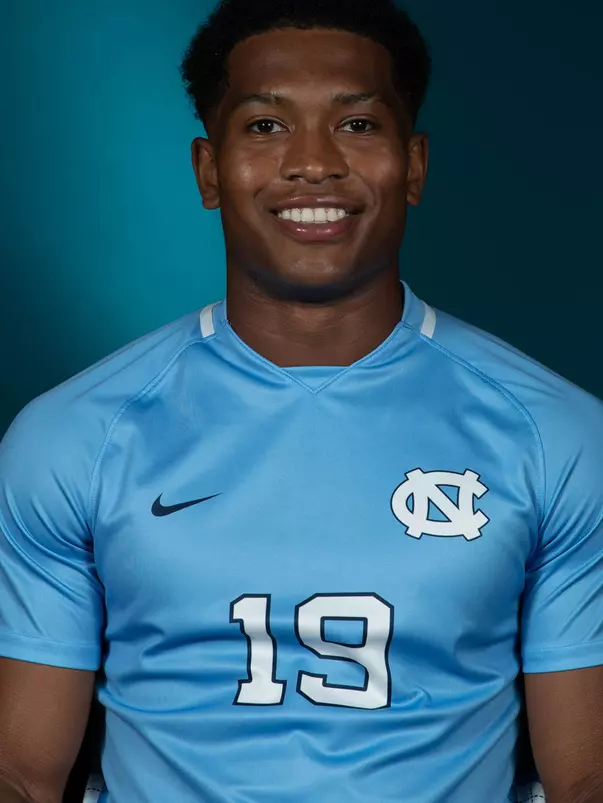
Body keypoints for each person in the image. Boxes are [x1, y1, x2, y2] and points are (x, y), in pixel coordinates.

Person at [0, 0, 602, 801]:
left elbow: (585, 776)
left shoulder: (556, 435)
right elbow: (21, 772)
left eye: (356, 126)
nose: (312, 163)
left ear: (413, 165)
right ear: (208, 171)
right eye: (263, 127)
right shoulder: (73, 435)